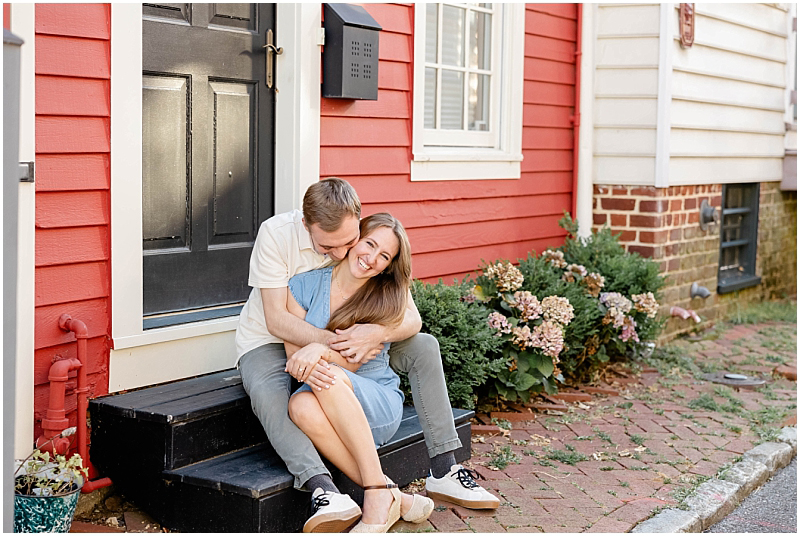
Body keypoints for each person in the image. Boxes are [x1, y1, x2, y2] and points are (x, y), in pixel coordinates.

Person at [235, 178, 499, 532]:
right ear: (307, 227)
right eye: (333, 245)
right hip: (271, 336)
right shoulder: (282, 242)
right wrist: (320, 348)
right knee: (290, 403)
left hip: (362, 383)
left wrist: (377, 332)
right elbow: (278, 322)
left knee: (423, 345)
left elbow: (411, 320)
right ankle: (364, 490)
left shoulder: (381, 285)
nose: (346, 253)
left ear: (358, 223)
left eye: (351, 242)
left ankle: (444, 468)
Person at [286, 213, 433, 532]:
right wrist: (309, 358)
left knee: (332, 376)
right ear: (355, 238)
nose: (371, 259)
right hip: (324, 394)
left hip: (375, 401)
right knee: (299, 405)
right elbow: (294, 358)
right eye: (370, 244)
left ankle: (376, 500)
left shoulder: (385, 295)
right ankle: (389, 493)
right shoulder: (303, 285)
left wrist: (321, 351)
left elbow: (351, 361)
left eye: (384, 256)